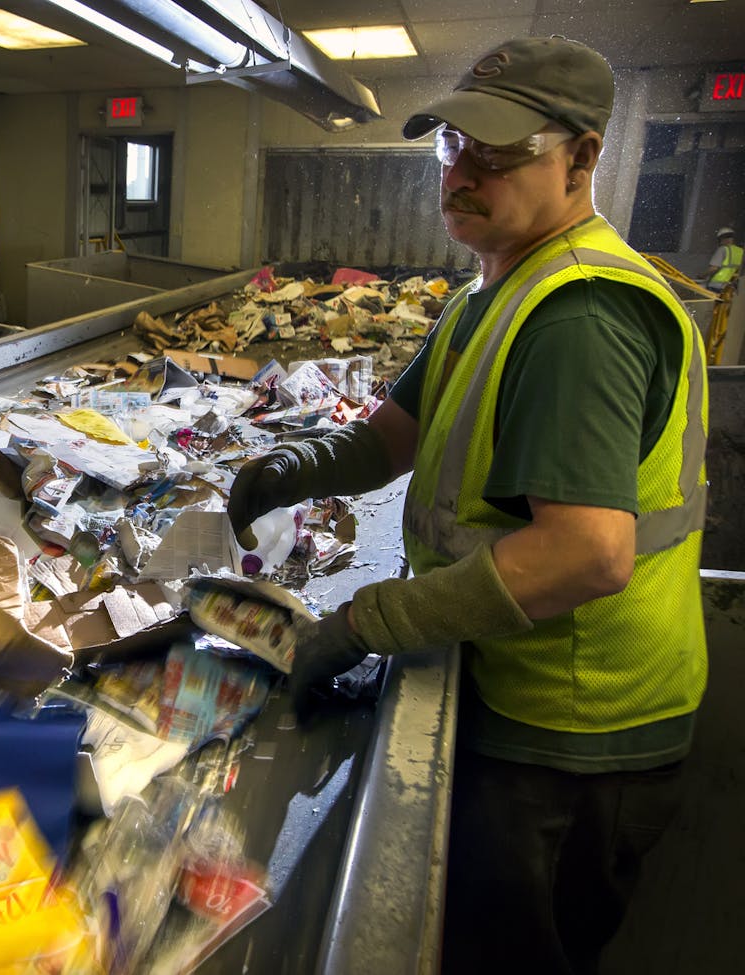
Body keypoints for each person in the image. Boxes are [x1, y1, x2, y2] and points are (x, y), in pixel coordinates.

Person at [228, 37, 706, 975]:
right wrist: (290, 466)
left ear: (582, 156)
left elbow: (587, 554)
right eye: (451, 144)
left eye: (498, 149)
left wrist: (371, 619)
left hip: (576, 731)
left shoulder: (579, 317)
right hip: (526, 692)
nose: (462, 170)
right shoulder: (491, 293)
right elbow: (387, 441)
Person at [705, 226, 741, 292]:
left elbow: (714, 268)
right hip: (729, 287)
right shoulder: (740, 251)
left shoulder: (722, 249)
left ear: (722, 238)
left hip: (716, 286)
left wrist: (703, 275)